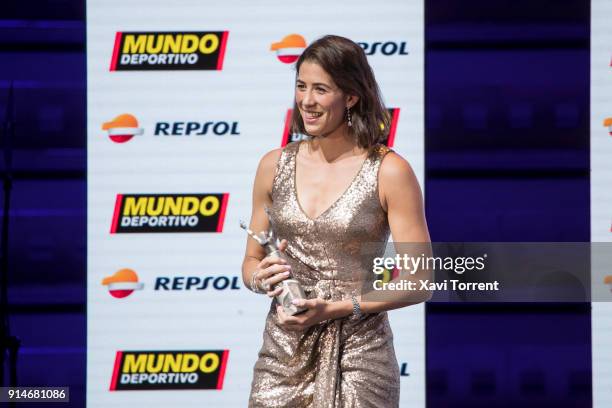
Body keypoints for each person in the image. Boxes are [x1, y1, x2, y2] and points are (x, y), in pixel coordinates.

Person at [241, 35, 432, 408]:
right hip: (283, 354)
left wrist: (341, 307)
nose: (307, 101)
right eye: (301, 86)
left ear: (350, 96)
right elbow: (249, 263)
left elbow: (420, 281)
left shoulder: (390, 170)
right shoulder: (272, 165)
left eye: (320, 89)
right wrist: (259, 276)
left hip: (360, 358)